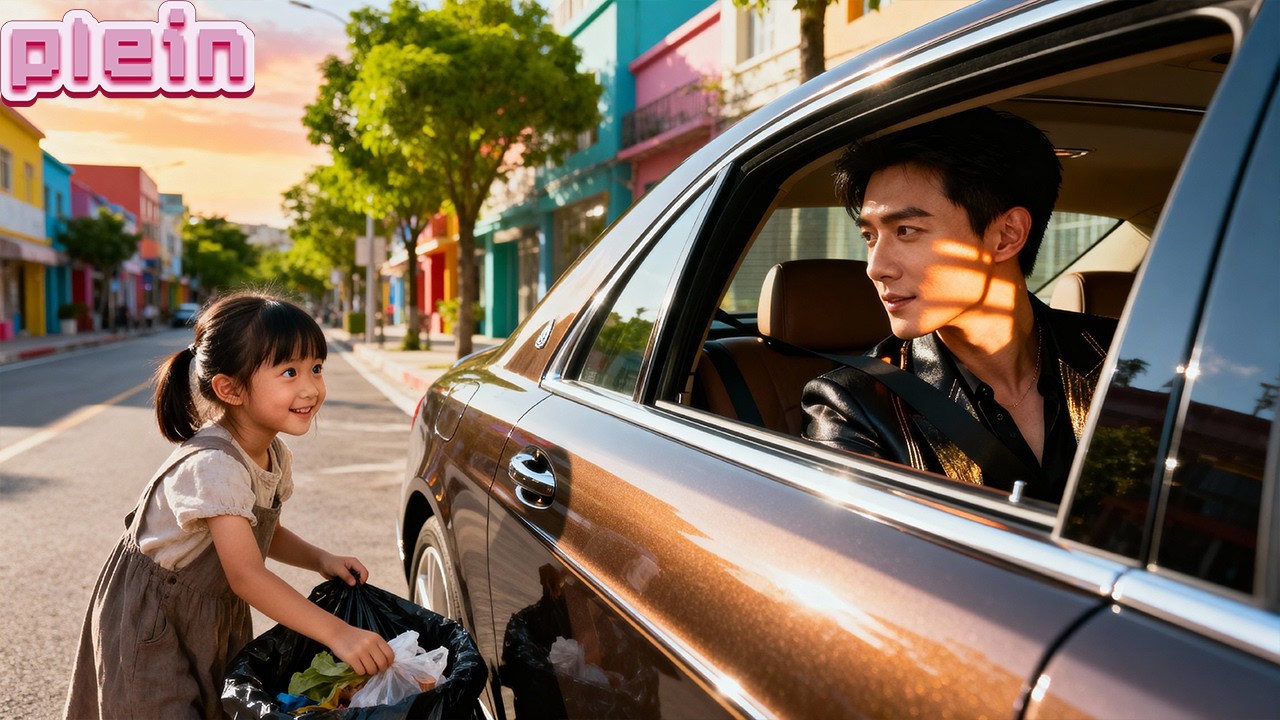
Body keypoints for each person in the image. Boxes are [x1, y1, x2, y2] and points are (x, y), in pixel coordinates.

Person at [64, 290, 395, 719]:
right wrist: (339, 634)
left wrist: (320, 558)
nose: (311, 387)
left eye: (316, 367)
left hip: (211, 615)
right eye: (289, 372)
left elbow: (261, 530)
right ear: (230, 389)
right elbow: (246, 575)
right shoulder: (215, 465)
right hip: (153, 620)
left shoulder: (272, 452)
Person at [802, 108, 1116, 503]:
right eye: (870, 235)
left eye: (906, 231)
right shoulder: (855, 405)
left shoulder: (1125, 355)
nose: (875, 268)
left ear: (1006, 235)